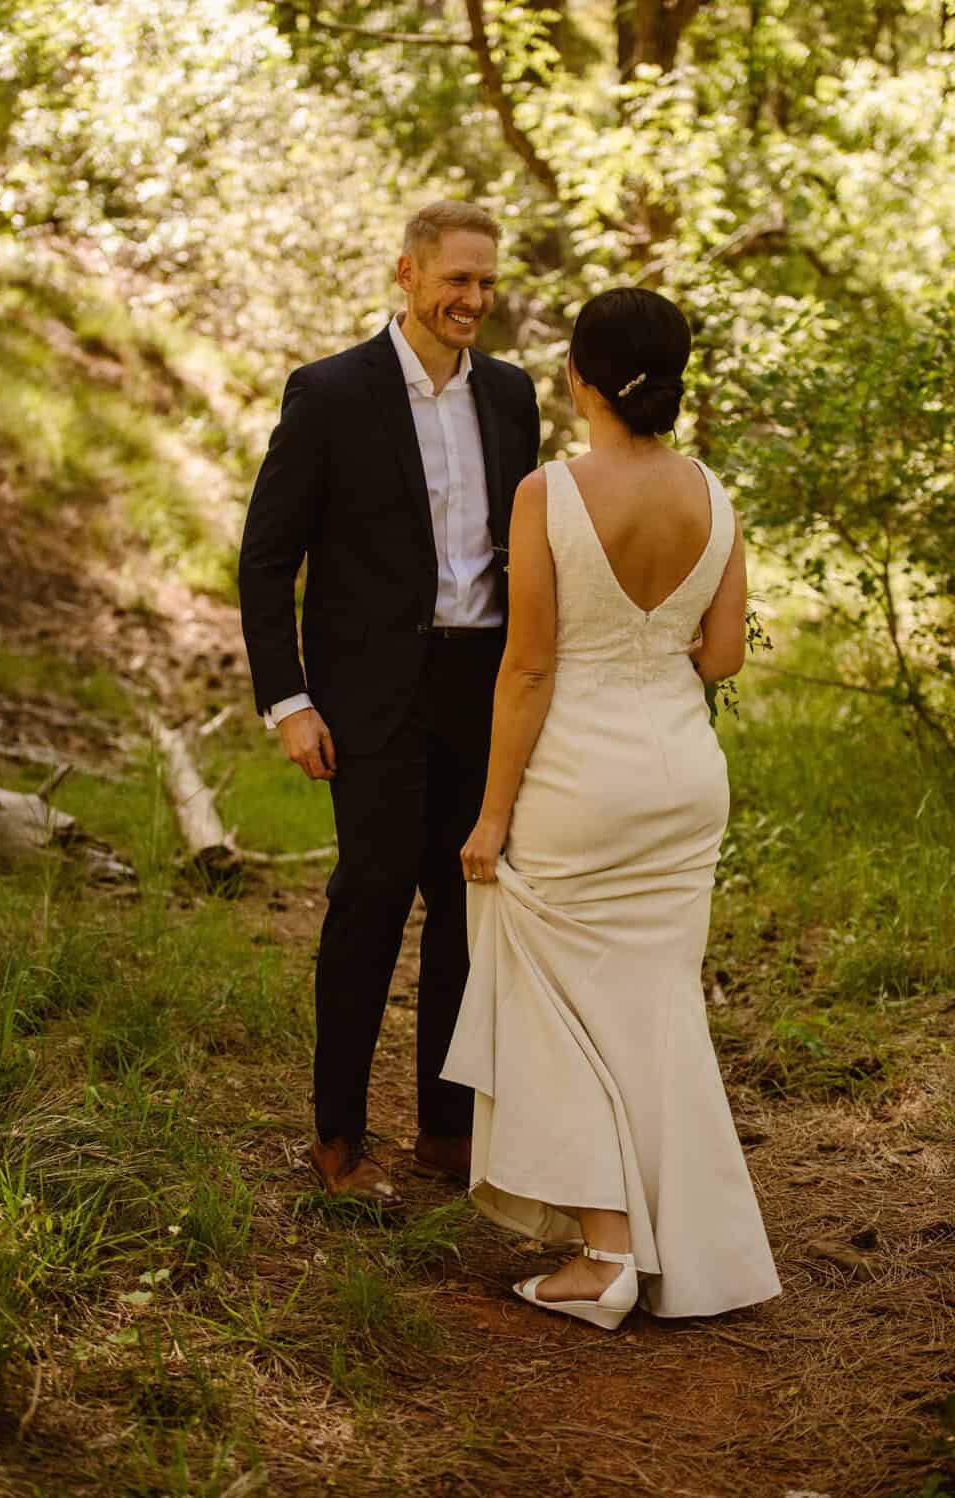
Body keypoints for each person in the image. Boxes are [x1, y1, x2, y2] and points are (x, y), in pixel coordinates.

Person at [442, 287, 781, 1327]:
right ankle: (685, 1246)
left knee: (550, 1007)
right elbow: (722, 653)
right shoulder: (712, 495)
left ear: (581, 379)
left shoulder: (549, 492)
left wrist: (492, 814)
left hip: (581, 779)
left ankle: (605, 1252)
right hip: (682, 777)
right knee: (652, 1006)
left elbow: (530, 671)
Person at [238, 202, 540, 1209]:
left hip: (480, 686)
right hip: (367, 696)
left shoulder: (510, 395)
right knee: (369, 905)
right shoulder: (329, 393)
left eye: (487, 283)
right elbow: (268, 556)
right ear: (406, 275)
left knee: (467, 905)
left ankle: (448, 1131)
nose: (473, 300)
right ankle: (337, 1136)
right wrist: (288, 699)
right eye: (457, 279)